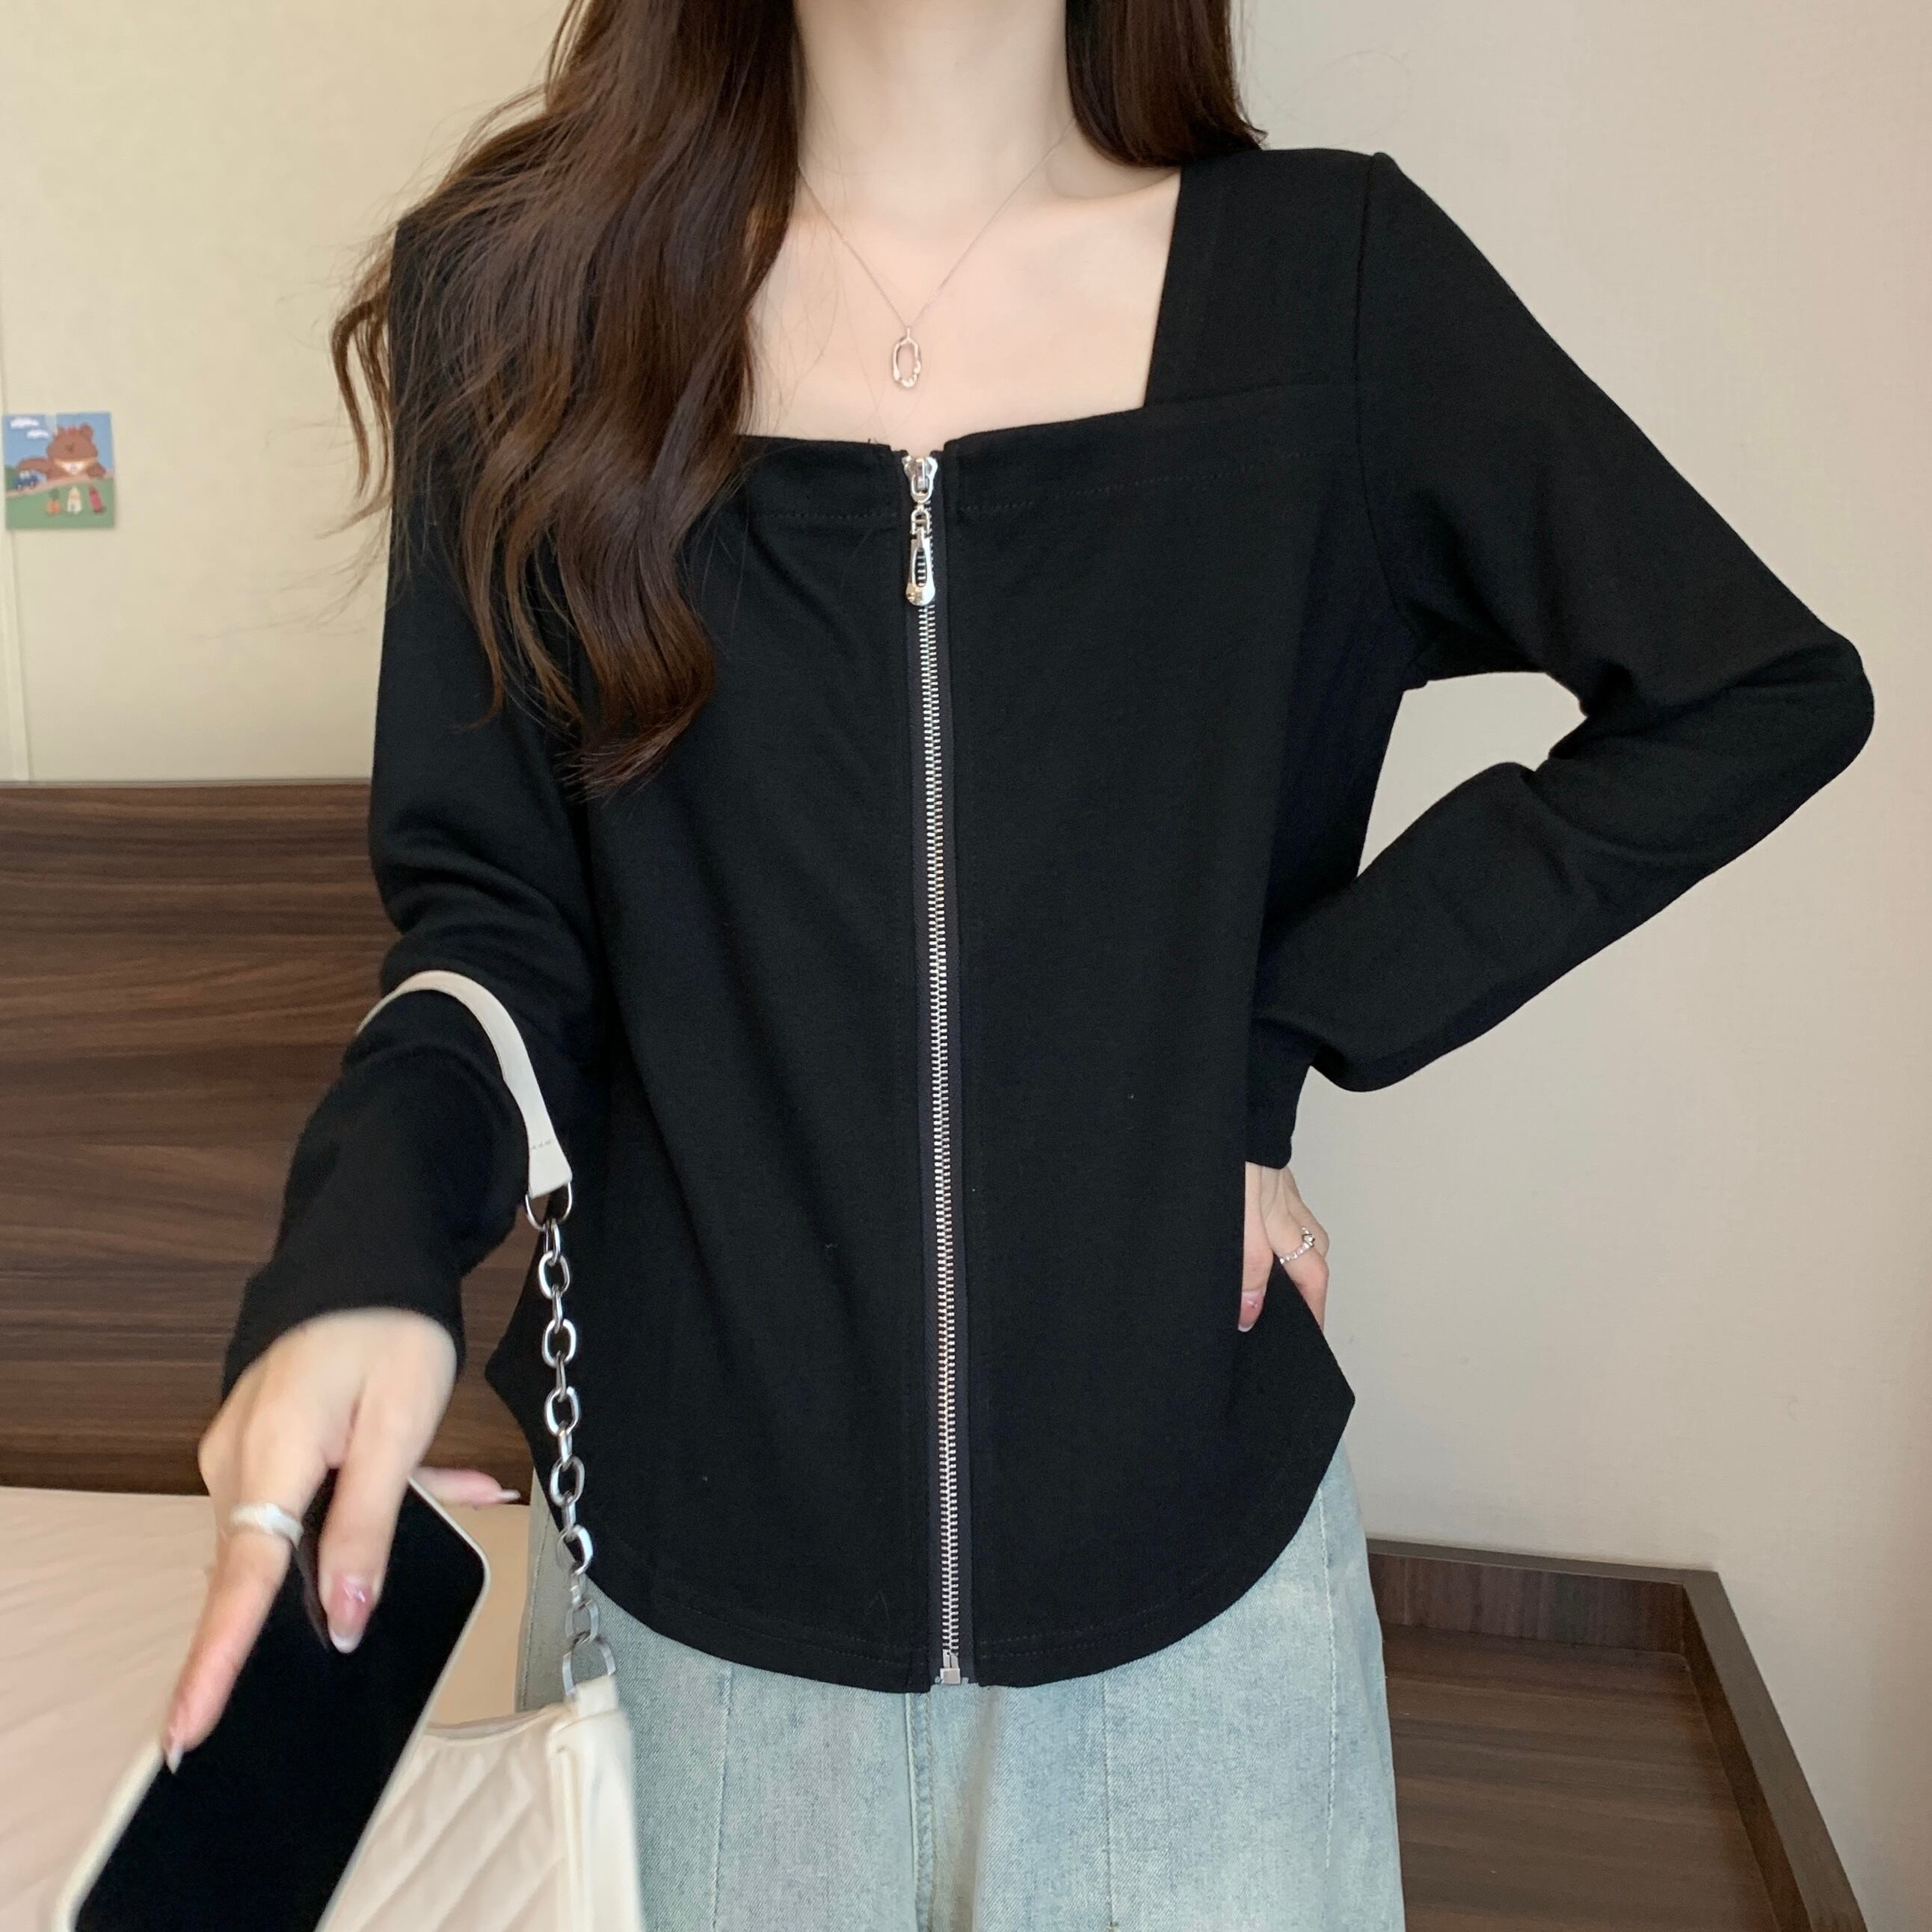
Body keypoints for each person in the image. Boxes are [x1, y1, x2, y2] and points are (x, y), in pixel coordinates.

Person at [161, 1, 1876, 1925]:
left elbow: (1752, 691)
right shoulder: (521, 303)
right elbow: (490, 927)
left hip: (1195, 1636)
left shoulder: (1327, 290)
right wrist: (366, 1240)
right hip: (695, 1630)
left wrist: (1273, 1033)